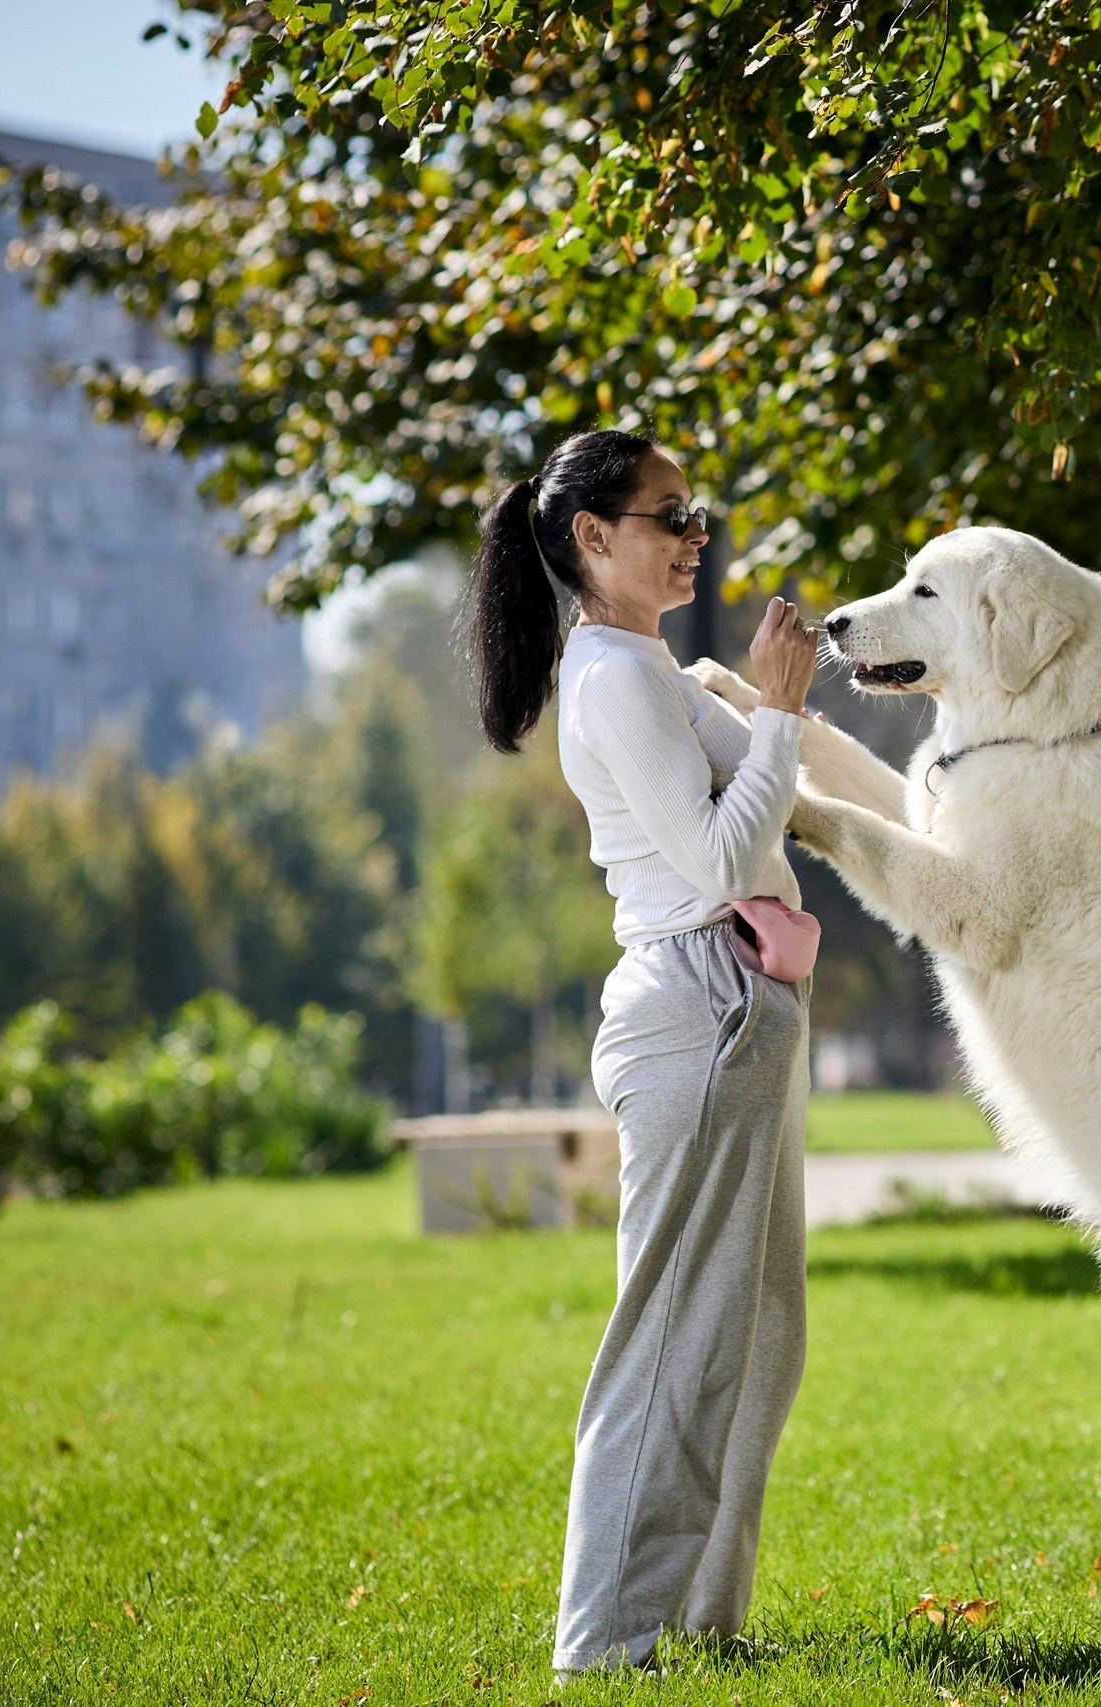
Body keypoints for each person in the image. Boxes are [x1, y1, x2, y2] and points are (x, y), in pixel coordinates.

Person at [467, 427, 820, 1673]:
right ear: (591, 538)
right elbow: (721, 856)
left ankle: (699, 1622)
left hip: (739, 1004)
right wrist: (774, 709)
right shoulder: (613, 680)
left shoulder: (650, 671)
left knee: (760, 1335)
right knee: (675, 1331)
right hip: (699, 1005)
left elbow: (777, 810)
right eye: (666, 518)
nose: (693, 537)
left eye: (696, 514)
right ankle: (604, 1643)